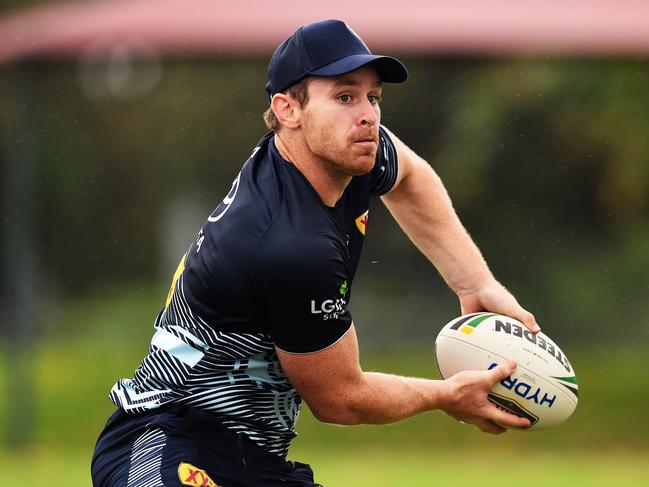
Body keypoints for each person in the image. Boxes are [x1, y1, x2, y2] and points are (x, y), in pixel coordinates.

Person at [91, 19, 539, 487]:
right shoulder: (290, 245)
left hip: (254, 458)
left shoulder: (344, 154)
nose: (367, 115)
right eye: (345, 97)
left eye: (373, 97)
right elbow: (341, 399)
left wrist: (474, 283)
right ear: (287, 110)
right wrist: (448, 396)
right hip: (165, 444)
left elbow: (412, 177)